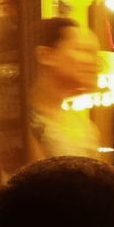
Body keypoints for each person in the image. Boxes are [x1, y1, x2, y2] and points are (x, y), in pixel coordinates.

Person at [28, 17, 102, 161]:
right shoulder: (26, 123)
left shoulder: (85, 127)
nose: (93, 62)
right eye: (82, 50)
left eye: (95, 54)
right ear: (45, 55)